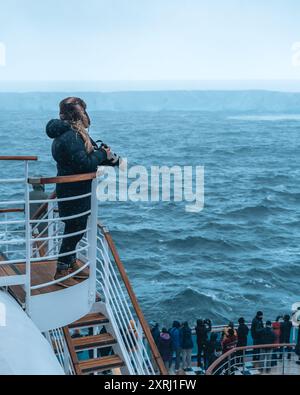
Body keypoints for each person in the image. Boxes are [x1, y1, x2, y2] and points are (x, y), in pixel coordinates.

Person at [46, 97, 120, 287]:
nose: (86, 114)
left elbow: (84, 158)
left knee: (76, 230)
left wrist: (106, 157)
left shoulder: (72, 134)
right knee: (73, 231)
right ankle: (61, 270)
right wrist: (102, 154)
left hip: (74, 191)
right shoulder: (71, 136)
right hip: (74, 193)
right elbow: (84, 163)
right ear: (77, 114)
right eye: (83, 110)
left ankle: (70, 264)